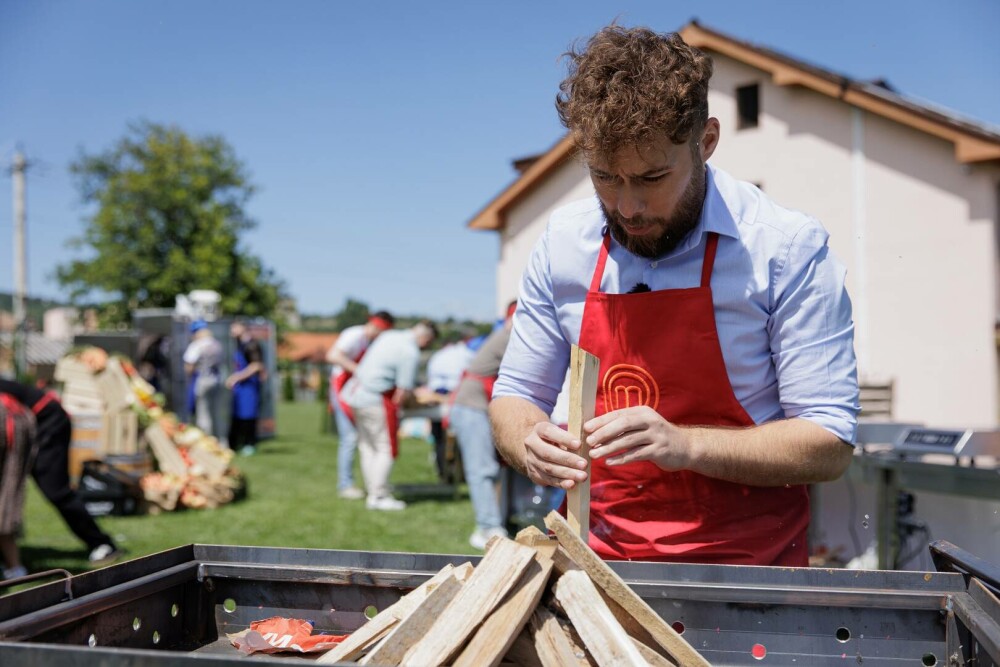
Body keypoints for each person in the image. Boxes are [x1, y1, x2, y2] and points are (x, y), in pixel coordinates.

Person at [489, 25, 859, 566]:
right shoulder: (563, 244)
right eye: (605, 178)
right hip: (594, 565)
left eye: (653, 177)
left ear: (705, 141)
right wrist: (528, 441)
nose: (628, 206)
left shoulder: (784, 249)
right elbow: (514, 395)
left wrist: (685, 447)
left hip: (747, 572)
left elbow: (828, 441)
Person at [0, 379, 122, 569]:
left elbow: (13, 422)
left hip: (48, 422)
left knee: (56, 490)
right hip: (26, 424)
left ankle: (102, 543)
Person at [344, 320, 438, 511]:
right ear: (426, 338)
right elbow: (402, 392)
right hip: (376, 399)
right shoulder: (410, 351)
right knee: (385, 447)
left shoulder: (389, 336)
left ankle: (374, 490)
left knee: (368, 446)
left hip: (355, 395)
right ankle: (378, 495)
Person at [449, 302, 516, 549]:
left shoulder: (507, 334)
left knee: (489, 469)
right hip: (471, 406)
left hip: (476, 405)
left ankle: (493, 522)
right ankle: (487, 528)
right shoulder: (513, 336)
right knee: (482, 469)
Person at [326, 312, 395, 499]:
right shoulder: (354, 335)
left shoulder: (367, 342)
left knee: (361, 439)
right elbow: (332, 355)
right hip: (341, 389)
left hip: (353, 391)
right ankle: (345, 484)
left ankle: (373, 482)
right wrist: (360, 371)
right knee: (349, 437)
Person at [225, 320, 265, 456]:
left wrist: (236, 377)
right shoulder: (239, 344)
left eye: (234, 327)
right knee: (238, 415)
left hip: (249, 386)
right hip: (241, 387)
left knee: (248, 415)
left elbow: (256, 365)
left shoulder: (251, 345)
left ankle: (250, 443)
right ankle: (235, 443)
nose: (231, 331)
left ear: (242, 328)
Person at [183, 319, 223, 438]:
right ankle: (220, 440)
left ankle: (207, 440)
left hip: (202, 380)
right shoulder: (216, 343)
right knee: (216, 412)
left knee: (203, 413)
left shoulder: (196, 345)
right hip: (216, 379)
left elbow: (189, 367)